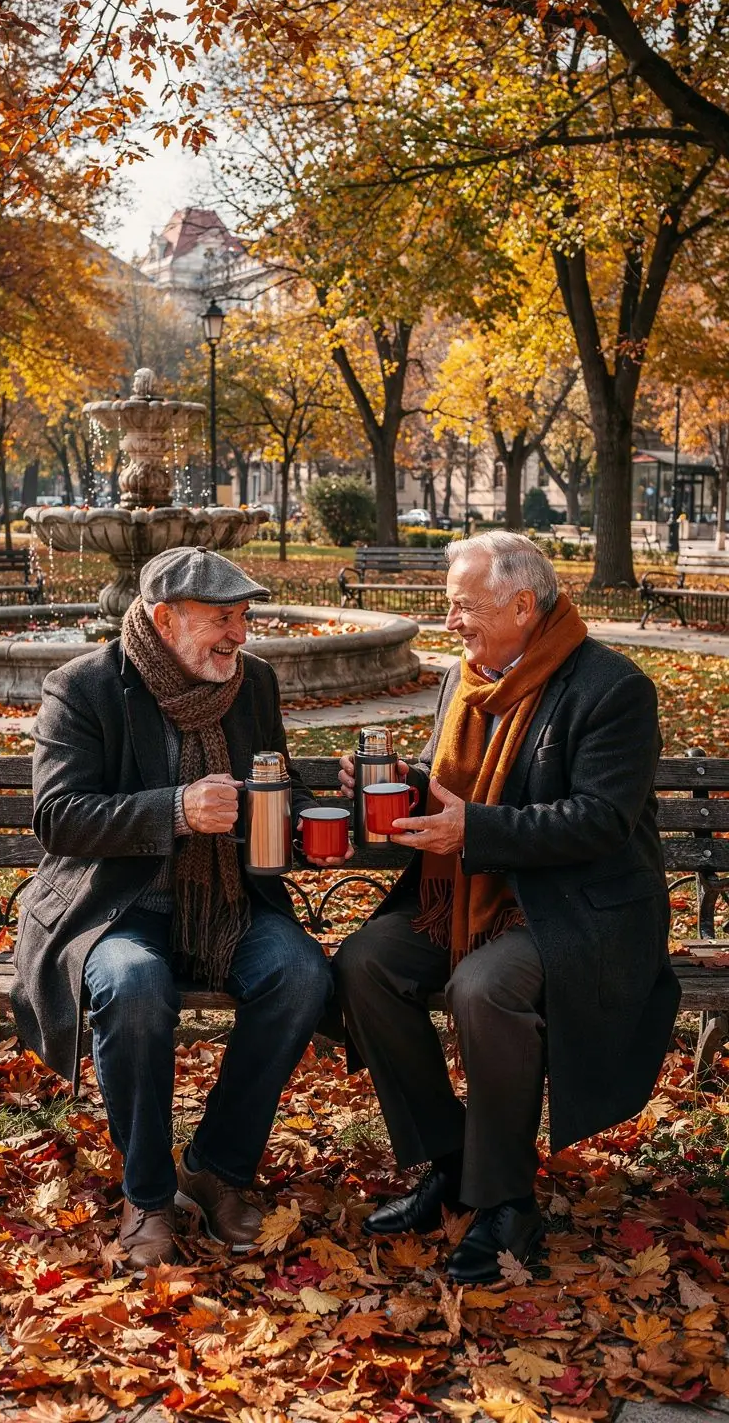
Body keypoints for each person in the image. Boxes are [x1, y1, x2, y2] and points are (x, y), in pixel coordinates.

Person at [334, 532, 679, 1283]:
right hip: (469, 896)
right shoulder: (470, 680)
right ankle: (454, 1164)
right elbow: (450, 777)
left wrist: (476, 830)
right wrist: (399, 778)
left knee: (484, 987)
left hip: (579, 909)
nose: (450, 621)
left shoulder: (611, 688)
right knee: (365, 963)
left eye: (463, 606)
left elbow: (601, 821)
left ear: (523, 605)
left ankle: (507, 1203)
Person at [13, 546, 343, 1268]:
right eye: (223, 618)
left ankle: (216, 1167)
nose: (241, 634)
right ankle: (148, 1193)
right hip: (116, 907)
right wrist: (178, 810)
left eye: (245, 616)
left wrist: (315, 819)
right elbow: (59, 817)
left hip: (229, 900)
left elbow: (275, 777)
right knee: (133, 987)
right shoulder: (86, 687)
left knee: (302, 976)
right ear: (166, 619)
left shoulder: (251, 683)